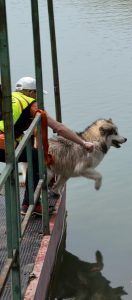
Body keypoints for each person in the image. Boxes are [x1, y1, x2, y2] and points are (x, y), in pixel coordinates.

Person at [0, 76, 94, 215]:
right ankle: (30, 204)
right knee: (37, 158)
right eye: (36, 93)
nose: (37, 97)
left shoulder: (8, 97)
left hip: (6, 142)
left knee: (28, 151)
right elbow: (59, 128)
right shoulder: (30, 104)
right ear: (30, 92)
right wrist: (83, 142)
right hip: (3, 144)